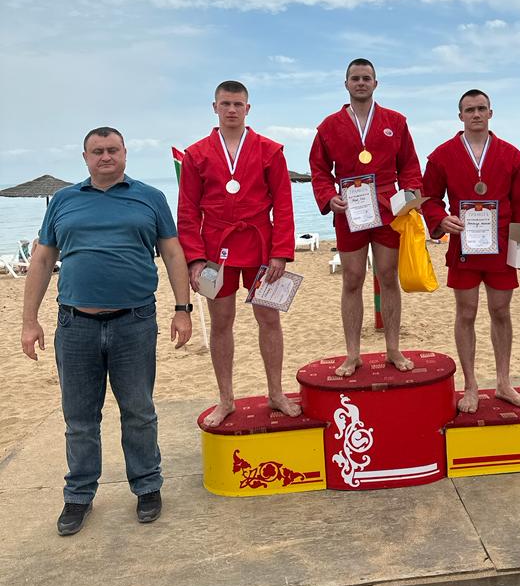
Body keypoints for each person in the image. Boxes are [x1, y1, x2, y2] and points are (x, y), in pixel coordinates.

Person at [20, 127, 193, 536]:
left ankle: (147, 487)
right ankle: (79, 495)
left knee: (139, 412)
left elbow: (172, 252)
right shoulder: (63, 201)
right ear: (85, 158)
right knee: (79, 418)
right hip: (75, 325)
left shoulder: (150, 197)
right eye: (97, 151)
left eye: (112, 149)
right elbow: (42, 259)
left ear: (125, 153)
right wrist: (29, 320)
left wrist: (182, 309)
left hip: (134, 322)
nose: (105, 156)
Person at [177, 80, 299, 426]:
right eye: (225, 104)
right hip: (216, 250)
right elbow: (187, 211)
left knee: (269, 320)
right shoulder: (196, 154)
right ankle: (226, 398)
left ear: (248, 108)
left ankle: (276, 393)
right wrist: (195, 259)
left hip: (261, 245)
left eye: (238, 104)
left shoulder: (270, 150)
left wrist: (280, 252)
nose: (232, 110)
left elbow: (284, 205)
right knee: (221, 323)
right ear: (215, 107)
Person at [422, 89, 520, 412]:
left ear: (490, 113)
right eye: (470, 109)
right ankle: (471, 385)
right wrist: (440, 219)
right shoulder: (441, 156)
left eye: (481, 108)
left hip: (501, 245)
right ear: (460, 116)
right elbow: (429, 198)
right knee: (466, 312)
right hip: (464, 245)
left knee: (501, 311)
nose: (476, 114)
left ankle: (504, 382)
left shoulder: (511, 155)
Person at [310, 58, 423, 377]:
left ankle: (393, 348)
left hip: (387, 207)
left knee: (388, 276)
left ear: (376, 83)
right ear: (346, 84)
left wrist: (410, 197)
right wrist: (328, 197)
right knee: (352, 278)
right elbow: (319, 169)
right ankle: (353, 354)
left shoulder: (396, 121)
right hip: (349, 209)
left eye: (366, 78)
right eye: (355, 78)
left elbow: (410, 166)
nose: (361, 83)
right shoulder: (328, 126)